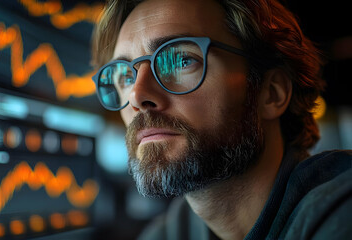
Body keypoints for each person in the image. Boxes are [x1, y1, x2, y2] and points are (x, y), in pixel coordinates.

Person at [91, 0, 352, 239]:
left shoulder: (340, 214)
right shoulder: (172, 231)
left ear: (271, 93)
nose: (137, 95)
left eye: (181, 60)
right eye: (125, 77)